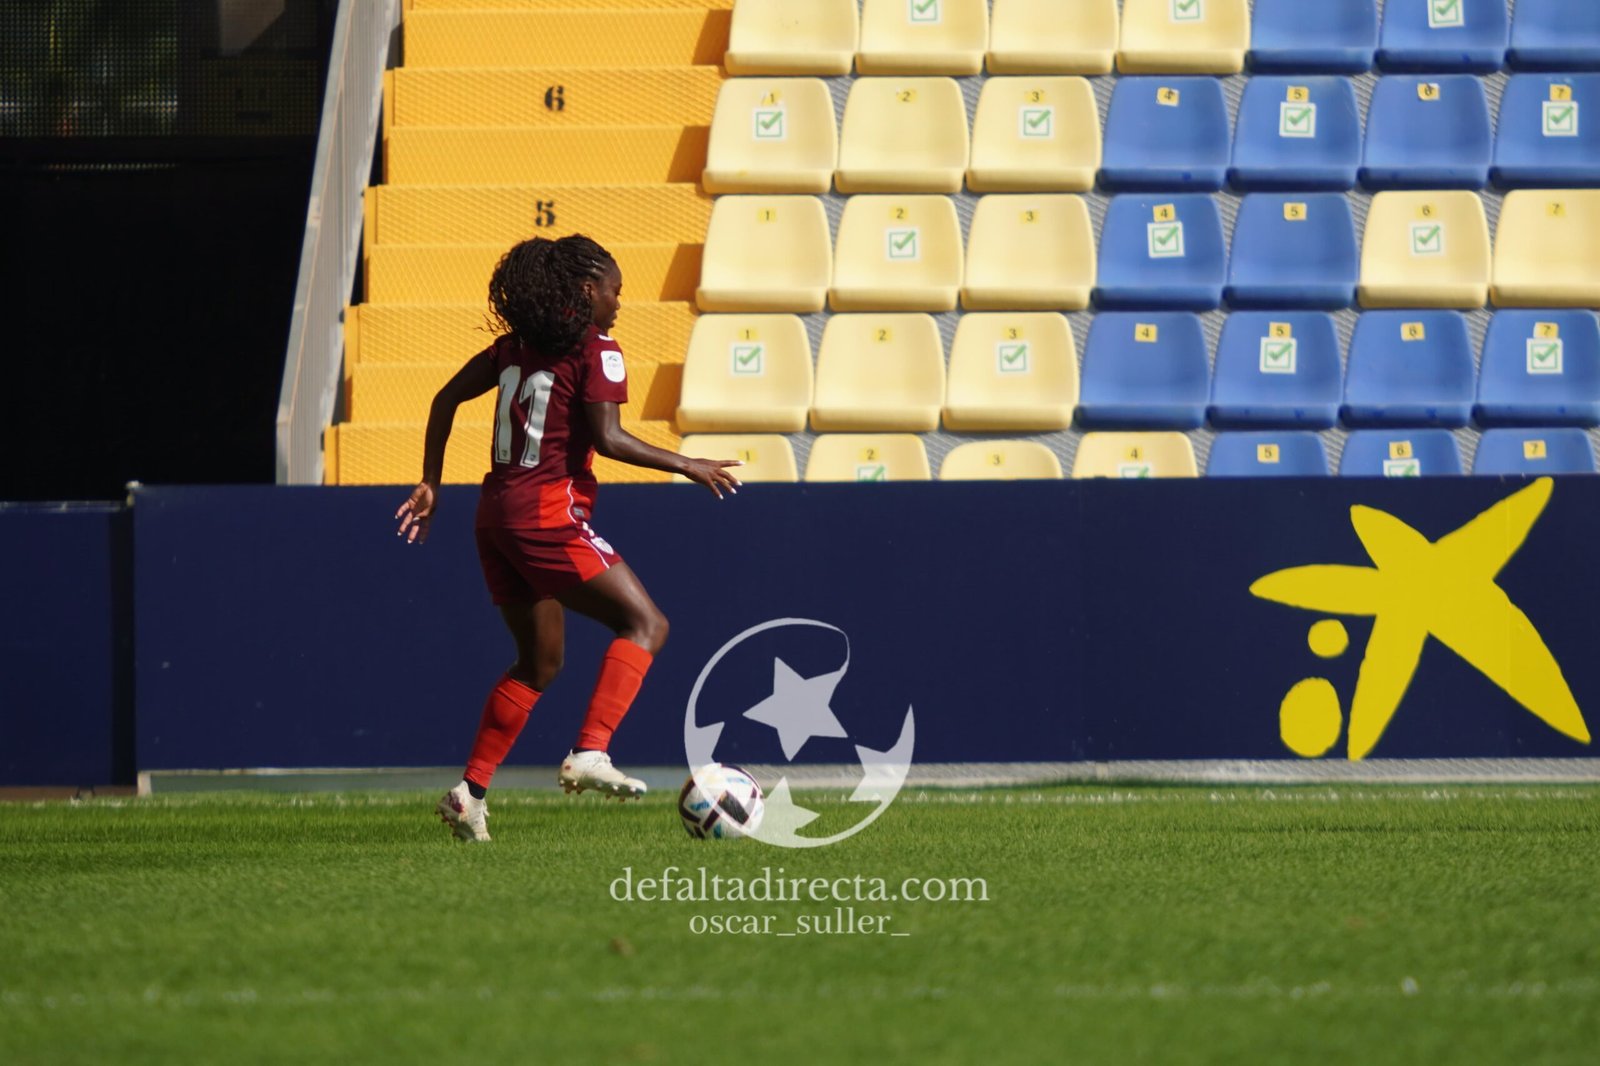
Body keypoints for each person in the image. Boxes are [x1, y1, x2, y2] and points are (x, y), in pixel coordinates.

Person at [394, 234, 742, 843]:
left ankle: (470, 793)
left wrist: (431, 480)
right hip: (546, 514)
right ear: (587, 291)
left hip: (494, 516)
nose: (618, 303)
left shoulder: (513, 348)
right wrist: (688, 464)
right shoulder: (597, 349)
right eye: (614, 290)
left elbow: (445, 397)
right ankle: (591, 751)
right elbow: (608, 439)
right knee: (647, 625)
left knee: (539, 661)